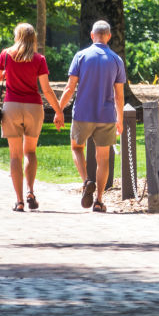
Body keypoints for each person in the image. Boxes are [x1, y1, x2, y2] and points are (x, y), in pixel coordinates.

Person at [0, 23, 65, 212]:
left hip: (12, 107)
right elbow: (46, 89)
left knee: (15, 155)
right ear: (34, 39)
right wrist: (58, 111)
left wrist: (6, 74)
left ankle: (19, 201)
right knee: (30, 152)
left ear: (17, 36)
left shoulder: (6, 55)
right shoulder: (39, 59)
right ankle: (30, 192)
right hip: (34, 107)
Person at [57, 20, 126, 213]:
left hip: (82, 113)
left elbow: (70, 87)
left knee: (76, 147)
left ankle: (86, 181)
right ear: (109, 36)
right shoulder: (116, 60)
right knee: (103, 159)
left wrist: (59, 110)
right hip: (107, 116)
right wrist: (120, 119)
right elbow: (119, 95)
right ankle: (99, 200)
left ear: (92, 35)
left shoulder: (81, 56)